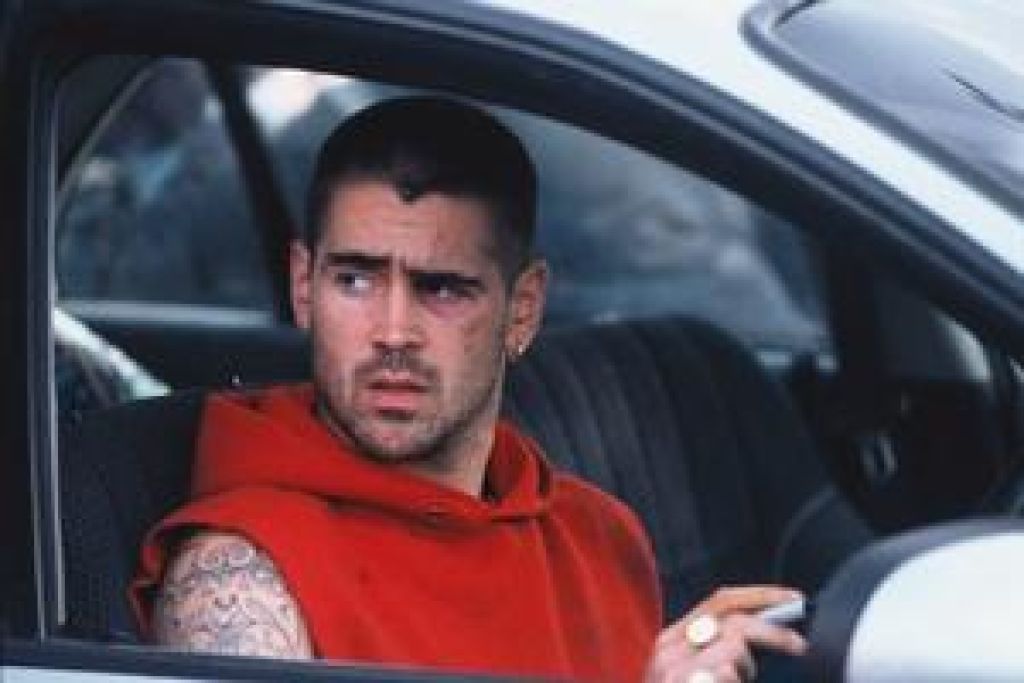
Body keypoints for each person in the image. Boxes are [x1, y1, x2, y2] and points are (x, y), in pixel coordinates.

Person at [131, 96, 806, 682]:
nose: (393, 332)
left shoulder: (599, 535)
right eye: (356, 280)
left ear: (523, 309)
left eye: (443, 289)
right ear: (304, 286)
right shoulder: (241, 574)